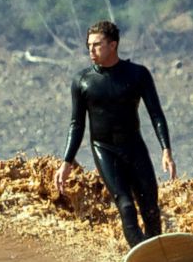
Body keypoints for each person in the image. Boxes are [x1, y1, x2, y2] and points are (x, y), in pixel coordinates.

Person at [54, 20, 177, 247]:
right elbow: (77, 124)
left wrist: (166, 150)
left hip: (134, 147)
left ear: (113, 45)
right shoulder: (82, 81)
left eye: (97, 45)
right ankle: (143, 255)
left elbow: (156, 114)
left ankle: (158, 257)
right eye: (88, 45)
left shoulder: (137, 75)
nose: (91, 50)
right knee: (126, 207)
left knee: (150, 207)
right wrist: (67, 162)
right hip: (104, 150)